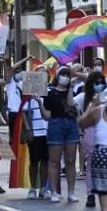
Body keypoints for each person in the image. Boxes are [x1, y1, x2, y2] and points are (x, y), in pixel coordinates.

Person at [40, 66, 80, 203]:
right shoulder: (50, 93)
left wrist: (70, 87)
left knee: (70, 160)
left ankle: (71, 192)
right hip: (56, 125)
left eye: (67, 75)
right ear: (57, 76)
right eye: (63, 74)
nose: (65, 77)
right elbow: (46, 116)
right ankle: (53, 191)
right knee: (54, 160)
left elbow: (69, 103)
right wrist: (40, 103)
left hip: (71, 125)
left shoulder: (72, 91)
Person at [74, 71, 107, 208]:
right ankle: (90, 194)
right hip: (90, 132)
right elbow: (72, 104)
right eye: (96, 83)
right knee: (91, 166)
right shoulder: (84, 97)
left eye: (101, 82)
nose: (99, 85)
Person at [22, 65, 51, 199]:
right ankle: (33, 188)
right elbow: (23, 111)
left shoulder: (51, 91)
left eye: (44, 74)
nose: (41, 77)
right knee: (34, 161)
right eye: (38, 74)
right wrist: (28, 129)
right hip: (35, 131)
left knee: (46, 161)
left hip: (49, 132)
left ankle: (44, 188)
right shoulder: (28, 93)